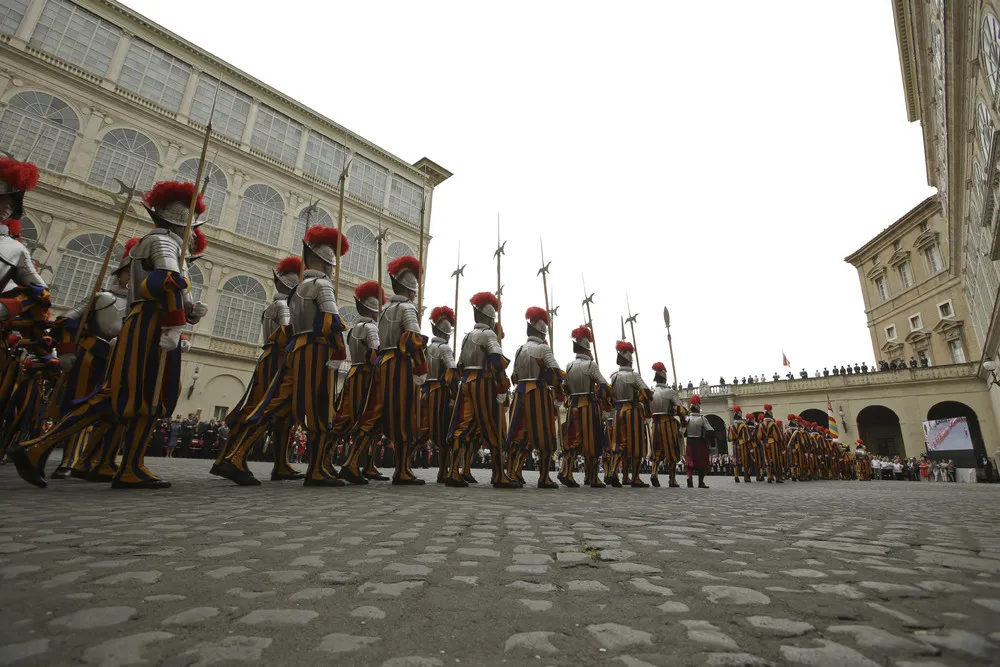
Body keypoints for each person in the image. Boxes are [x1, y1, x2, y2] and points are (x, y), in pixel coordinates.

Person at [353, 255, 427, 485]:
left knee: (373, 415)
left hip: (382, 364)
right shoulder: (407, 309)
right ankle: (402, 470)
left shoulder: (385, 310)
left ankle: (351, 462)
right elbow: (413, 339)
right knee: (404, 416)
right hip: (399, 364)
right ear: (411, 289)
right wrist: (421, 367)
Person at [447, 291, 517, 488]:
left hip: (466, 381)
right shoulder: (488, 334)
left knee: (463, 427)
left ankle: (454, 471)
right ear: (490, 317)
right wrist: (502, 386)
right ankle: (498, 475)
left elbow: (460, 364)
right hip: (483, 383)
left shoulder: (467, 336)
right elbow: (497, 361)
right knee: (493, 426)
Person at [334, 280, 387, 485]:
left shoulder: (355, 328)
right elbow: (375, 354)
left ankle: (368, 464)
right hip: (366, 376)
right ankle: (355, 463)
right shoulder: (372, 329)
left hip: (353, 373)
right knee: (368, 419)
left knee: (348, 419)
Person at [504, 307, 564, 489]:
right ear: (542, 331)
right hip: (538, 392)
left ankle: (513, 472)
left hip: (520, 391)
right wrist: (558, 391)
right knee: (545, 435)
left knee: (518, 434)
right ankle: (544, 477)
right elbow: (556, 375)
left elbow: (514, 376)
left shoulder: (520, 349)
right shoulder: (544, 349)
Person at [562, 325, 612, 488]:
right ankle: (591, 477)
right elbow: (604, 386)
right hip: (589, 406)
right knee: (592, 441)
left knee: (572, 440)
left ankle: (567, 472)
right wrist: (605, 400)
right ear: (587, 349)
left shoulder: (569, 365)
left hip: (572, 406)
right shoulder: (591, 365)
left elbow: (566, 388)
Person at [421, 305, 459, 484]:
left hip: (423, 391)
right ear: (447, 333)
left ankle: (403, 465)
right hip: (439, 393)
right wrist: (454, 393)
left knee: (420, 431)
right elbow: (452, 370)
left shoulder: (426, 348)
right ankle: (443, 471)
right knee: (443, 434)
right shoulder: (445, 349)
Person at [649, 361, 684, 488]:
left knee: (656, 450)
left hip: (655, 423)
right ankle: (672, 479)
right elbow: (680, 409)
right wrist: (683, 420)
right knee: (672, 450)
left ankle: (654, 473)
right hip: (667, 423)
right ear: (664, 378)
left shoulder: (651, 392)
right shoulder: (669, 392)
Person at [684, 394, 713, 488]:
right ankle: (701, 482)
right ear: (697, 406)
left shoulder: (686, 418)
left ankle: (690, 478)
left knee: (689, 462)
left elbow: (681, 432)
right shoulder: (702, 419)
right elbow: (710, 430)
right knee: (702, 463)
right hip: (700, 442)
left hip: (689, 442)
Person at [728, 405, 753, 483]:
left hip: (735, 444)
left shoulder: (731, 427)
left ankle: (736, 476)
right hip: (743, 445)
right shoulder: (744, 426)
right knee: (745, 461)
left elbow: (730, 438)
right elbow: (747, 438)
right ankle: (746, 477)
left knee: (736, 460)